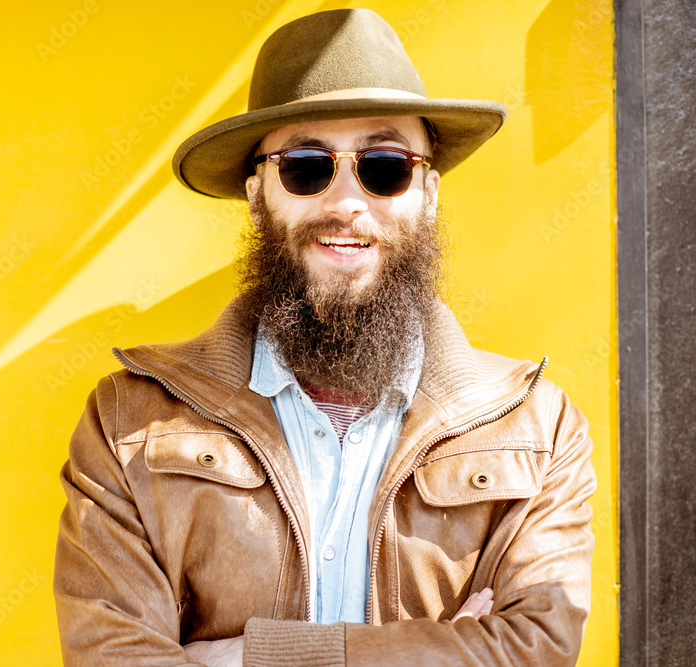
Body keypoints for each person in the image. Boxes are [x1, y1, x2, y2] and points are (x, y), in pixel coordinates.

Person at [54, 8, 596, 666]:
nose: (345, 202)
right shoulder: (128, 424)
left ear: (428, 192)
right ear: (257, 196)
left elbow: (532, 652)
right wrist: (448, 646)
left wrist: (237, 655)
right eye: (307, 166)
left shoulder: (539, 433)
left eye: (385, 165)